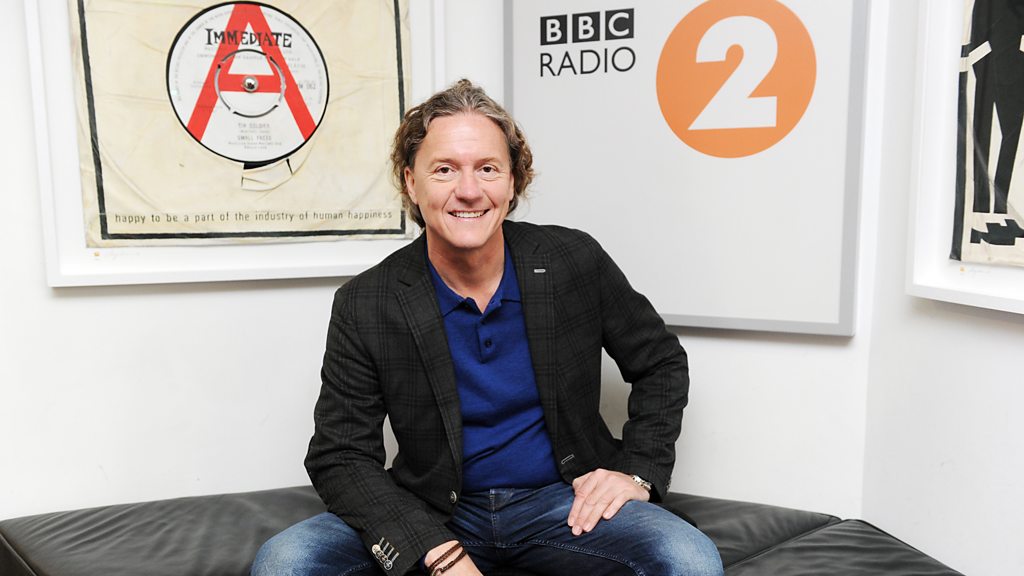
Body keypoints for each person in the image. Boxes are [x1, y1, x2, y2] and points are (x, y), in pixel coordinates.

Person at [252, 79, 723, 576]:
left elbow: (661, 363)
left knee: (689, 559)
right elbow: (341, 454)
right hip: (431, 508)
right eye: (444, 169)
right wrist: (438, 552)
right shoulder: (367, 302)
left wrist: (637, 472)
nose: (469, 190)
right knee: (285, 562)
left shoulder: (573, 261)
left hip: (564, 502)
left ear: (513, 181)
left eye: (488, 168)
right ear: (411, 182)